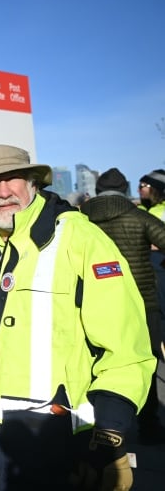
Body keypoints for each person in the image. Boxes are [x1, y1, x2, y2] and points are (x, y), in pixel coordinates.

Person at [0, 145, 155, 491]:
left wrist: (112, 434)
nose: (3, 191)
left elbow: (125, 349)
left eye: (13, 178)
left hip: (60, 454)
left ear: (33, 183)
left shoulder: (81, 240)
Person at [81, 167, 165, 444]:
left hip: (91, 304)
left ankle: (93, 427)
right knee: (142, 365)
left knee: (91, 365)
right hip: (142, 303)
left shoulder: (80, 220)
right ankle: (149, 428)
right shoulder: (139, 217)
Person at [138, 169, 165, 318]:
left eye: (144, 185)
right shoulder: (140, 210)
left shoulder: (161, 211)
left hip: (160, 266)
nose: (139, 188)